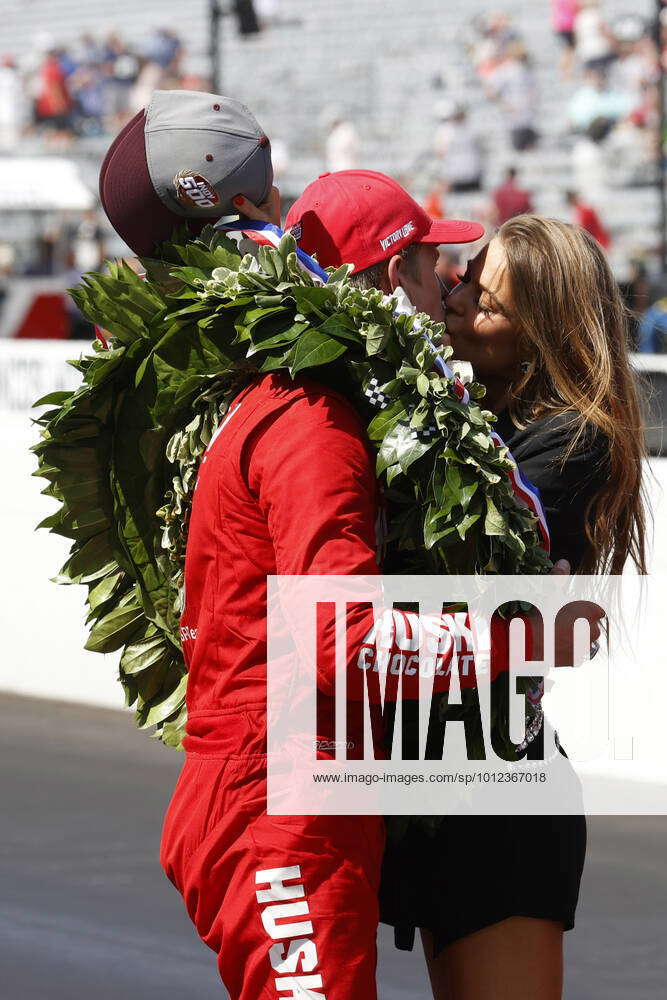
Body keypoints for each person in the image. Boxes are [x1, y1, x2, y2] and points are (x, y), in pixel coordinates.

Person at [99, 93, 487, 999]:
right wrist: (521, 636)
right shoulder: (311, 421)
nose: (453, 290)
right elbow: (343, 636)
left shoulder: (279, 404)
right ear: (386, 281)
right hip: (279, 802)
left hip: (286, 790)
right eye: (436, 266)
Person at [381, 215, 647, 1000]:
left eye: (485, 302)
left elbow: (452, 569)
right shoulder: (473, 410)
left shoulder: (574, 439)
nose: (457, 305)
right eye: (460, 281)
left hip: (502, 800)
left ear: (541, 332)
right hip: (440, 776)